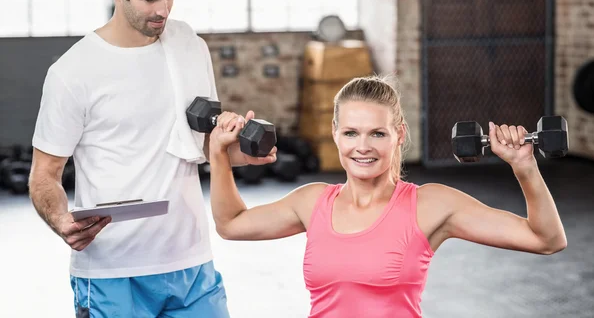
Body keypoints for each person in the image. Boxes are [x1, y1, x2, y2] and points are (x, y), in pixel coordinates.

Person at [28, 0, 275, 317]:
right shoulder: (72, 72)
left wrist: (243, 154)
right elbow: (44, 174)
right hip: (113, 270)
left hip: (191, 264)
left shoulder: (189, 46)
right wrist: (60, 220)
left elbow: (205, 147)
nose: (163, 9)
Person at [208, 74, 568, 318]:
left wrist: (524, 167)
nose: (362, 147)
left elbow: (546, 239)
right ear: (335, 133)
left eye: (377, 134)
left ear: (399, 134)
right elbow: (231, 224)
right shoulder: (312, 201)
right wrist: (218, 153)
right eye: (351, 133)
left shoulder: (431, 205)